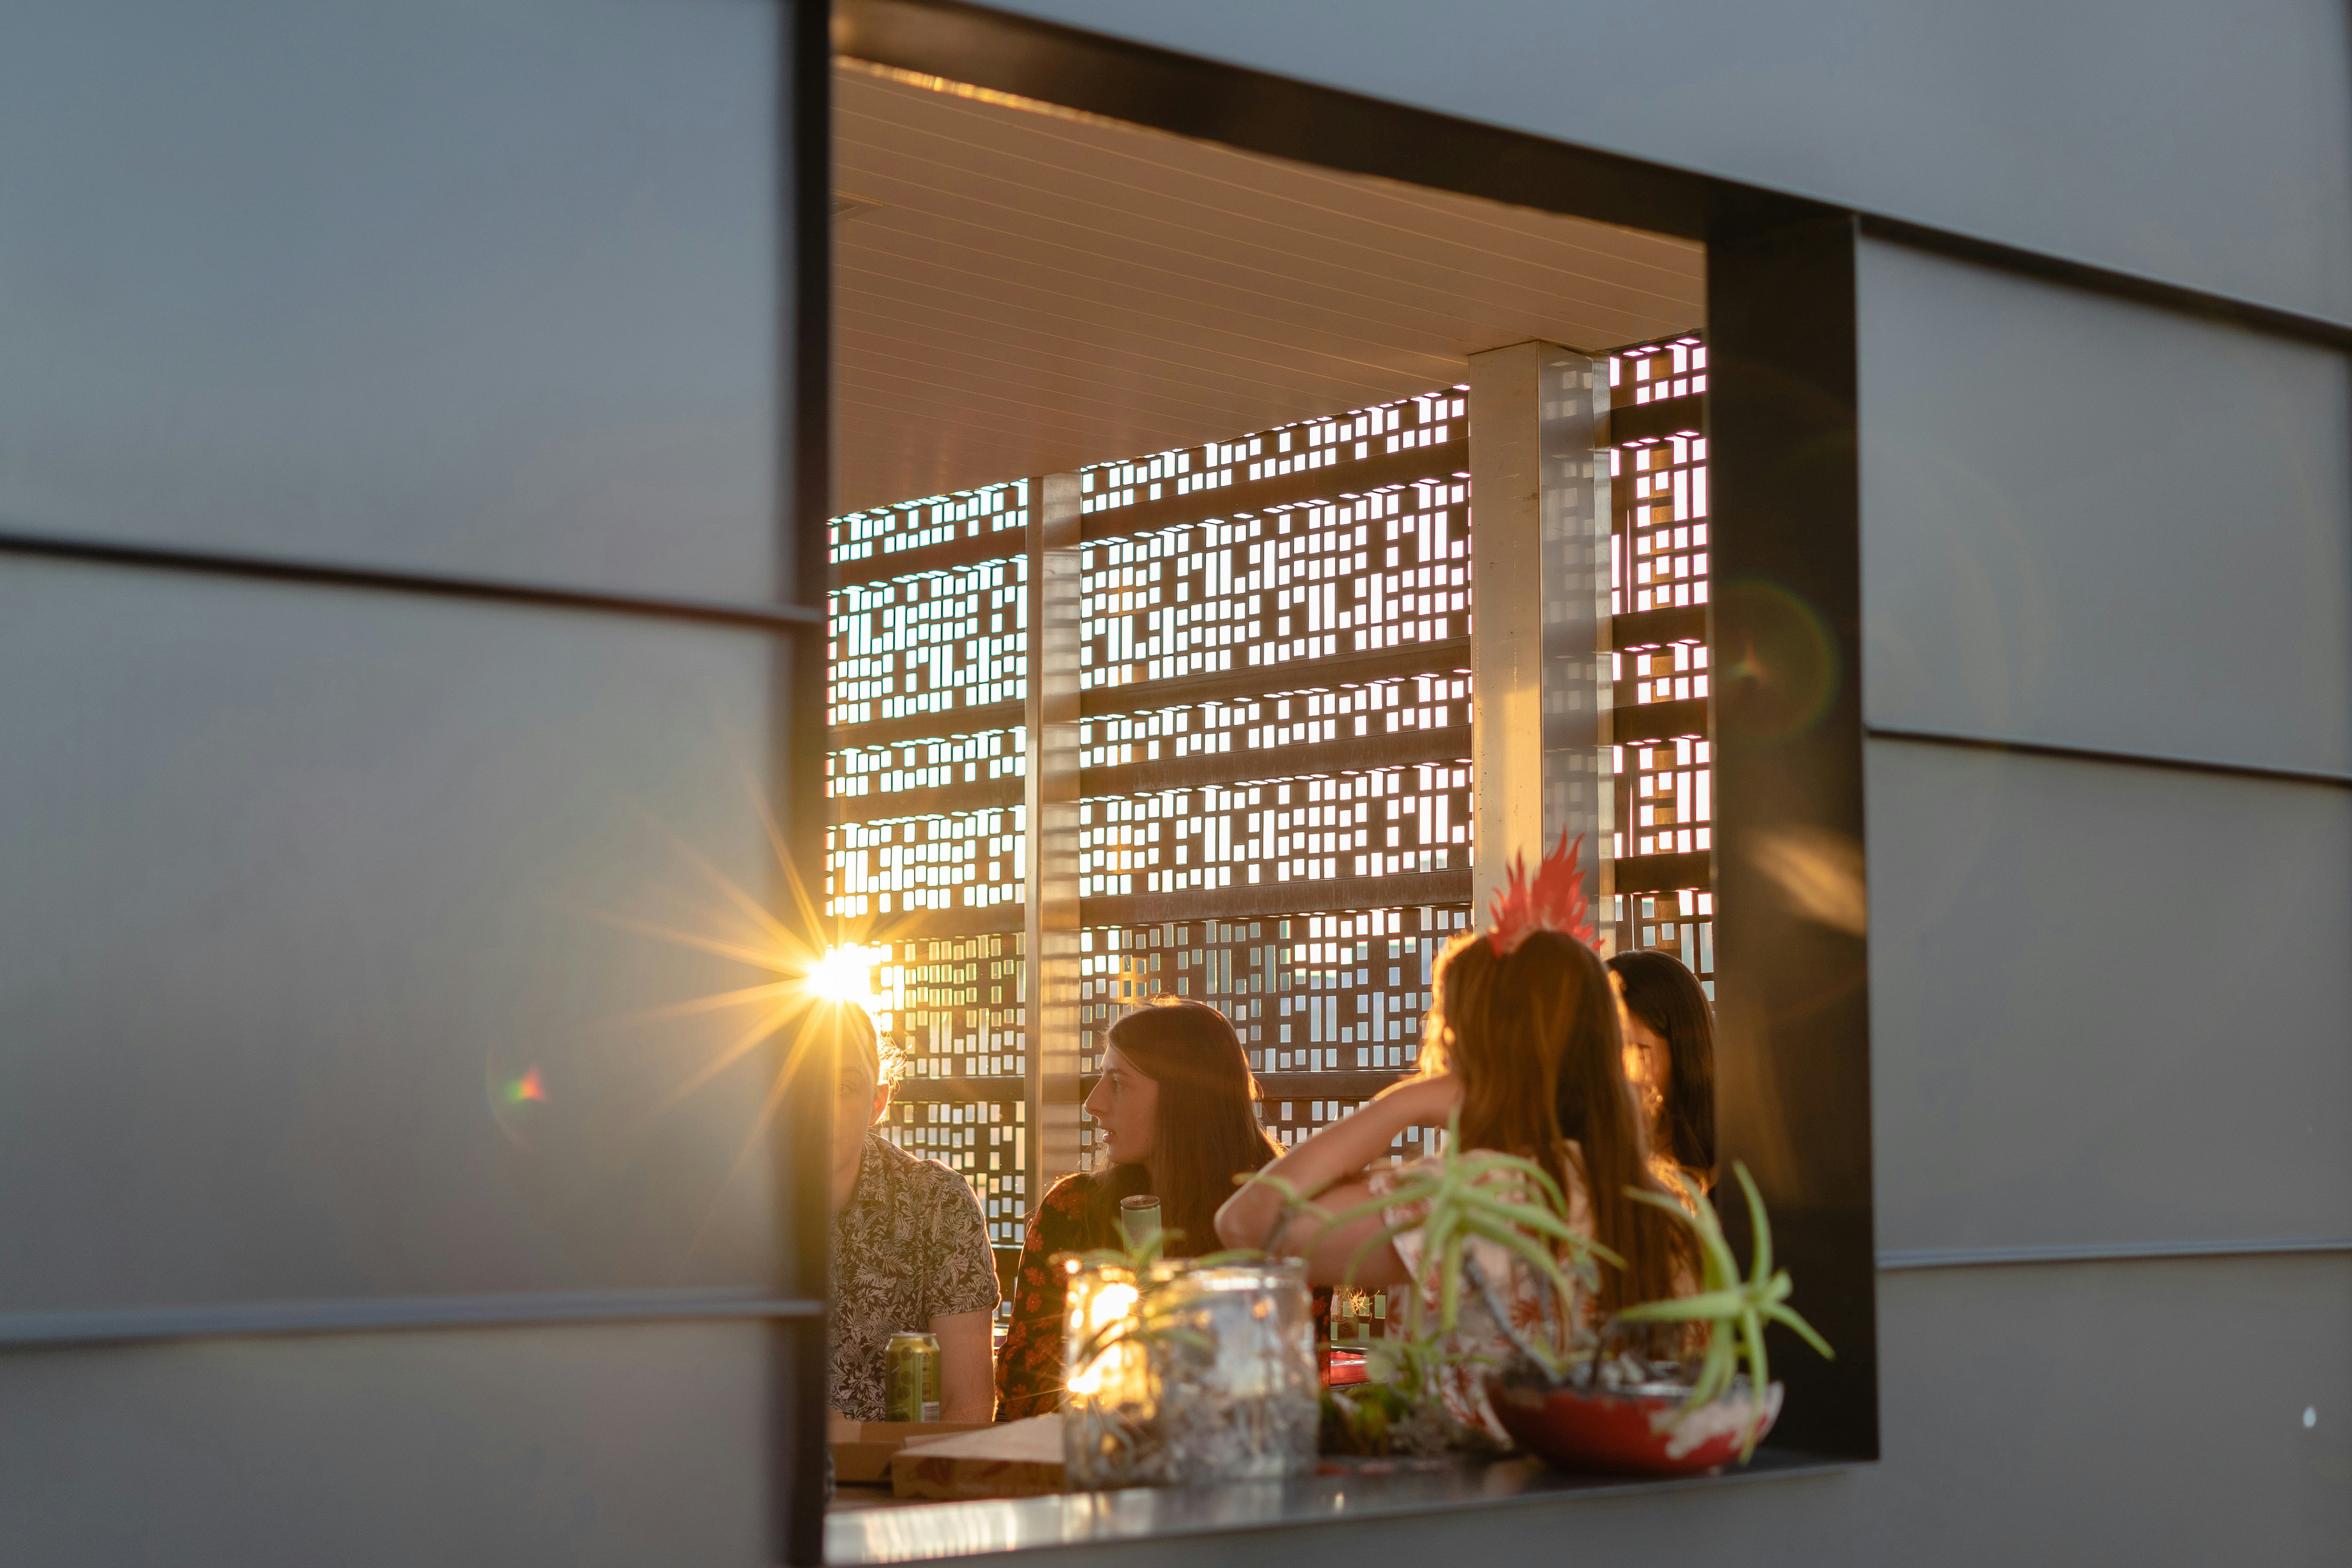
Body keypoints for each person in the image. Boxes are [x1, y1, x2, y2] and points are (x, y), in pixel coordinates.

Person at [1216, 903, 1693, 1441]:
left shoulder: (1478, 1194)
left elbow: (1249, 1221)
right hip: (1608, 1506)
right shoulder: (1666, 1205)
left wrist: (1406, 1102)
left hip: (1470, 1508)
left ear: (1469, 1052)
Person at [995, 997, 1284, 1419]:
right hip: (1089, 1463)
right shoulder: (1072, 1210)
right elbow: (1022, 1387)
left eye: (1118, 1082)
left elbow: (1290, 1394)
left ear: (1185, 1099)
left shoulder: (1272, 1215)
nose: (1093, 1103)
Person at [826, 1001, 1000, 1423]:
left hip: (901, 1481)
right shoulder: (713, 1204)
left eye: (844, 1087)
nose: (820, 1108)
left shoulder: (937, 1202)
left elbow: (969, 1404)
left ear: (877, 1102)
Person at [1607, 947, 1718, 1196]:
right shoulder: (1582, 1167)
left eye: (1635, 1052)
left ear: (1685, 1055)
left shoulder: (1724, 1180)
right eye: (1601, 1052)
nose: (1613, 1071)